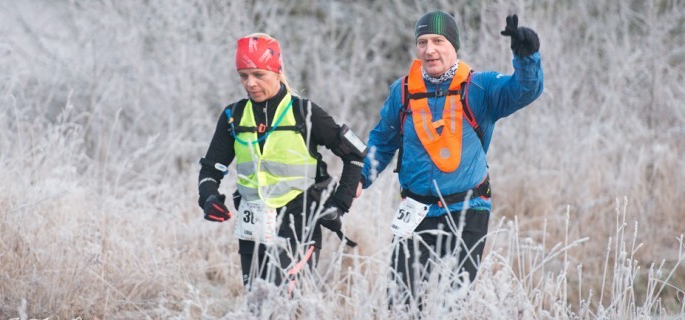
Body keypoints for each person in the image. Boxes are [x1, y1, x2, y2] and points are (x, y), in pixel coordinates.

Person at [358, 11, 543, 310]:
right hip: (414, 210)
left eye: (438, 40)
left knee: (452, 303)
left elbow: (524, 90)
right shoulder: (402, 92)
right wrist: (360, 177)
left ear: (454, 45)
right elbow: (382, 140)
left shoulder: (479, 88)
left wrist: (527, 57)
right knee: (400, 302)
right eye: (422, 42)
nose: (429, 49)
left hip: (467, 208)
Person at [197, 33, 365, 290]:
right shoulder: (233, 116)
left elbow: (354, 155)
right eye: (243, 76)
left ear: (277, 72)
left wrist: (339, 205)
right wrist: (208, 198)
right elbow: (211, 168)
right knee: (257, 306)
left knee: (282, 305)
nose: (250, 83)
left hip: (299, 221)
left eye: (258, 74)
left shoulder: (304, 112)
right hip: (252, 223)